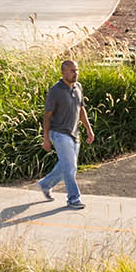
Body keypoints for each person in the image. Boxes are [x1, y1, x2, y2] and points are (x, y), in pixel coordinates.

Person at [36, 57, 95, 209]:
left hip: (74, 133)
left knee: (67, 166)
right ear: (63, 72)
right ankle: (73, 199)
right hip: (59, 133)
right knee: (70, 167)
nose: (76, 73)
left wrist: (88, 129)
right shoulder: (55, 91)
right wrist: (46, 138)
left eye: (77, 70)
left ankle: (45, 184)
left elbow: (81, 110)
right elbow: (47, 116)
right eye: (72, 71)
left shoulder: (78, 87)